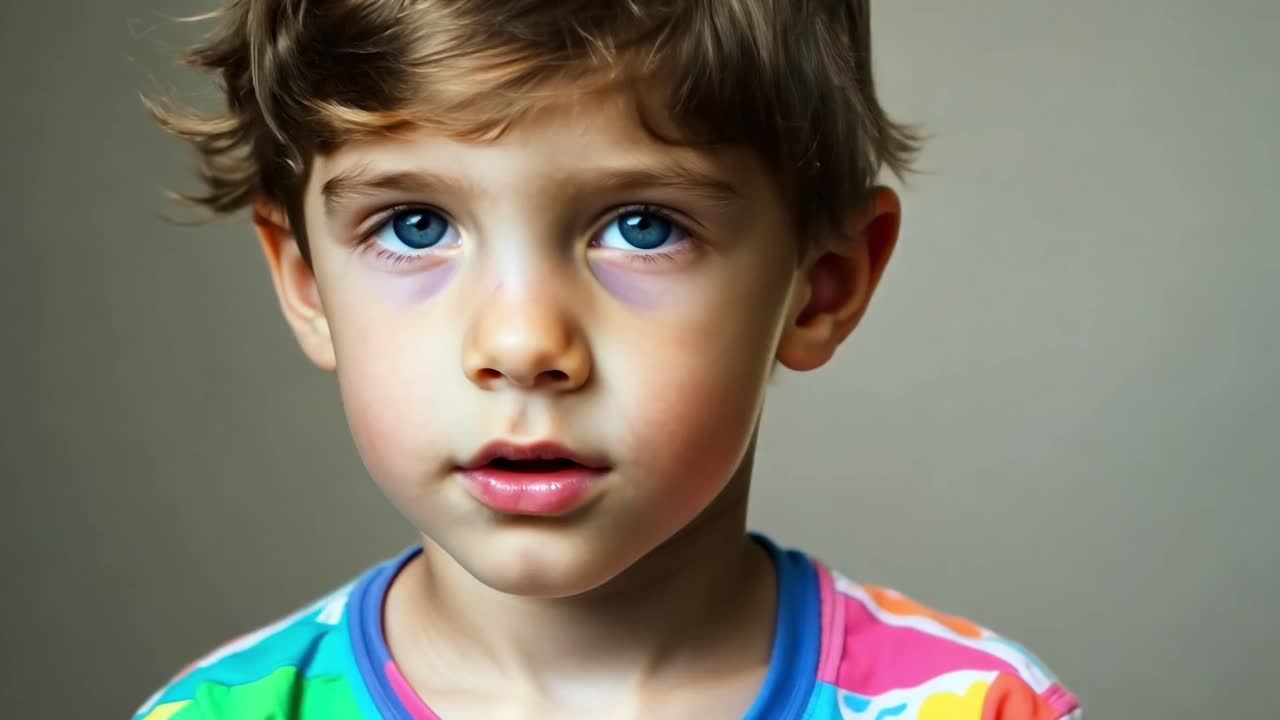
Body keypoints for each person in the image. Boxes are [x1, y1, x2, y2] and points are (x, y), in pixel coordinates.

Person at [134, 1, 1081, 718]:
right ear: (306, 284)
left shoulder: (969, 707)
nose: (520, 345)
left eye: (642, 226)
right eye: (415, 226)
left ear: (823, 284)